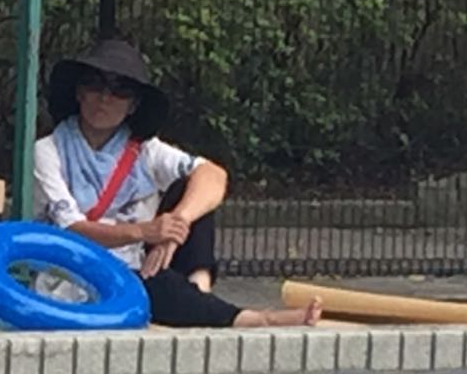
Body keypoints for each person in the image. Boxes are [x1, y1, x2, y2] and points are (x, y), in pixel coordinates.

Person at [34, 37, 321, 328]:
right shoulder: (48, 150)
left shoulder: (144, 149)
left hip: (137, 260)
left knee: (192, 190)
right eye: (94, 85)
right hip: (73, 267)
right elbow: (72, 228)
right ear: (79, 92)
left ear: (133, 105)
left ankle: (201, 288)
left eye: (119, 90)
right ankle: (253, 318)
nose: (104, 98)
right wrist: (145, 231)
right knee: (155, 288)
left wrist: (175, 226)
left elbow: (213, 174)